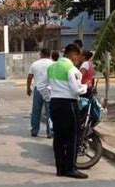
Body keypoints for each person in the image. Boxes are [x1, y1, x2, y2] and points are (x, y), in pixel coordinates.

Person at [48, 44, 88, 179]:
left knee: (58, 137)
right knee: (73, 137)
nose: (78, 60)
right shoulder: (71, 69)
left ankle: (60, 169)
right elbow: (76, 90)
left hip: (54, 103)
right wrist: (85, 87)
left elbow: (43, 86)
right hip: (68, 104)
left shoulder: (52, 67)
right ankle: (71, 168)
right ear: (73, 55)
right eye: (78, 57)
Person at [27, 49, 54, 138]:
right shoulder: (53, 64)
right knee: (49, 111)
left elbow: (30, 77)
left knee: (36, 111)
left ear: (41, 54)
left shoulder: (35, 64)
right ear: (49, 54)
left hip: (38, 89)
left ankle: (34, 130)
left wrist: (28, 88)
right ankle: (49, 131)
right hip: (49, 90)